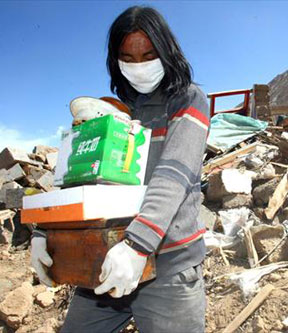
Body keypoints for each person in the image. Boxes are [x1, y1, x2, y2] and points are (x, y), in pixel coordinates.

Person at [31, 6, 209, 332]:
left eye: (149, 55)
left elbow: (173, 176)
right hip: (108, 261)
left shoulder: (188, 100)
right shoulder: (114, 113)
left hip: (168, 269)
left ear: (167, 52)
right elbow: (83, 180)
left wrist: (137, 246)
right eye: (128, 58)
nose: (139, 66)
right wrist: (47, 232)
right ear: (116, 61)